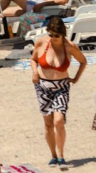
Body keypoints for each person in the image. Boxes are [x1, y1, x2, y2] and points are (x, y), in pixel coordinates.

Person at [32, 16, 86, 170]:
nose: (53, 38)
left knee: (58, 121)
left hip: (61, 87)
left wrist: (76, 78)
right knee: (48, 124)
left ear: (62, 34)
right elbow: (33, 59)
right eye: (50, 34)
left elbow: (83, 61)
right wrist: (34, 72)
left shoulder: (70, 46)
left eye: (56, 35)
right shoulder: (41, 43)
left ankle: (61, 155)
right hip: (43, 87)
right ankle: (53, 156)